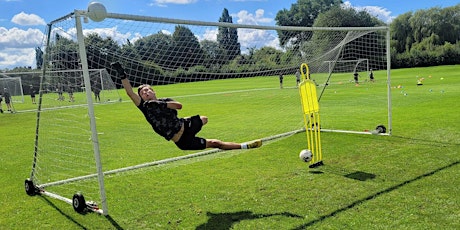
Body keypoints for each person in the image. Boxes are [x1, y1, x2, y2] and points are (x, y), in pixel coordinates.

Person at [110, 62, 262, 151]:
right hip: (182, 141)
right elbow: (130, 92)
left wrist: (161, 104)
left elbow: (179, 106)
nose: (146, 92)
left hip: (186, 126)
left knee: (204, 118)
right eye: (143, 92)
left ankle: (245, 146)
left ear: (154, 91)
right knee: (214, 143)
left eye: (148, 89)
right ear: (142, 97)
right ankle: (245, 146)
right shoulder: (145, 107)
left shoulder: (164, 100)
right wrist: (122, 75)